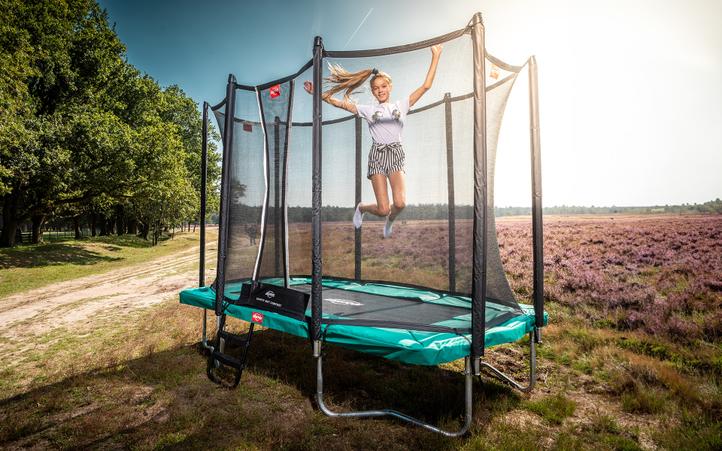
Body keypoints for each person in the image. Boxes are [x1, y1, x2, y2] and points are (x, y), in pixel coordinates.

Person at [304, 44, 442, 238]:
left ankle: (390, 220)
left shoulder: (401, 105)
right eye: (376, 88)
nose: (380, 90)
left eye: (383, 86)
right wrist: (315, 93)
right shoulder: (368, 110)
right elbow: (340, 103)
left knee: (400, 203)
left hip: (395, 154)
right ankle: (362, 207)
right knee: (383, 208)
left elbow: (426, 86)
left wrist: (436, 55)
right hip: (377, 155)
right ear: (372, 91)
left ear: (390, 87)